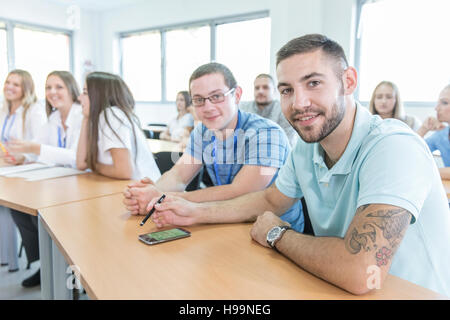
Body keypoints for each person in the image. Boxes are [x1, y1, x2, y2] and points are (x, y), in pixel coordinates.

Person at [144, 34, 450, 297]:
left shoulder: (393, 146)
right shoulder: (308, 145)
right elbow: (270, 199)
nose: (299, 103)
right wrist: (195, 212)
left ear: (349, 82)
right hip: (338, 288)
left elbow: (362, 271)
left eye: (313, 83)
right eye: (287, 90)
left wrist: (279, 235)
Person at [123, 62, 304, 233]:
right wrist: (150, 195)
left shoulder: (267, 133)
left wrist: (163, 197)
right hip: (225, 223)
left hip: (275, 232)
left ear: (237, 95)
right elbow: (178, 176)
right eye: (199, 100)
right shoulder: (203, 131)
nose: (208, 107)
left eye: (216, 96)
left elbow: (240, 191)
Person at [5, 71, 83, 288]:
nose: (52, 92)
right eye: (48, 87)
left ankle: (71, 268)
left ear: (71, 90)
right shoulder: (54, 117)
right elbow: (35, 148)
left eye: (58, 87)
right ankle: (46, 264)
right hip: (60, 180)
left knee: (47, 214)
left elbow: (76, 157)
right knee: (20, 209)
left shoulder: (81, 115)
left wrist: (34, 148)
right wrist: (21, 155)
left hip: (80, 181)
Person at [0, 70, 46, 277]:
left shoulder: (34, 111)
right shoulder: (4, 110)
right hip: (8, 170)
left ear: (26, 88)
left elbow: (41, 146)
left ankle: (44, 264)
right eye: (8, 82)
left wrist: (23, 157)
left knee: (27, 215)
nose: (9, 86)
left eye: (16, 84)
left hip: (29, 172)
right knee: (15, 213)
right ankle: (35, 262)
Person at [76, 71, 161, 181]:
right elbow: (81, 163)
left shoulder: (111, 115)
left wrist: (94, 165)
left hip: (146, 191)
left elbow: (124, 171)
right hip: (130, 188)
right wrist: (86, 118)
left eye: (85, 92)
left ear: (99, 95)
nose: (79, 98)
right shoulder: (102, 117)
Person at [240, 74, 298, 147]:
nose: (260, 91)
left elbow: (287, 143)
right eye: (257, 88)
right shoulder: (242, 108)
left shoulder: (284, 110)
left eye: (265, 87)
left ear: (274, 90)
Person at [417, 84, 450, 179]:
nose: (436, 108)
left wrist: (427, 171)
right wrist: (423, 129)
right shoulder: (442, 135)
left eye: (444, 103)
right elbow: (411, 152)